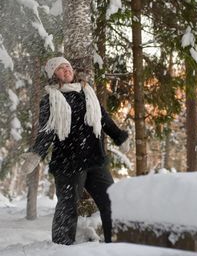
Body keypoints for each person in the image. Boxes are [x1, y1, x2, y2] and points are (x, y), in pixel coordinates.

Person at [21, 56, 129, 245]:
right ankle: (61, 246)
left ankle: (116, 243)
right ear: (53, 75)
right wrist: (37, 153)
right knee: (68, 207)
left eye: (67, 66)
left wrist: (119, 136)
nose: (66, 70)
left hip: (95, 159)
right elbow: (46, 130)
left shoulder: (87, 93)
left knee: (111, 201)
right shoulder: (51, 99)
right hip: (68, 163)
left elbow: (103, 118)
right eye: (60, 68)